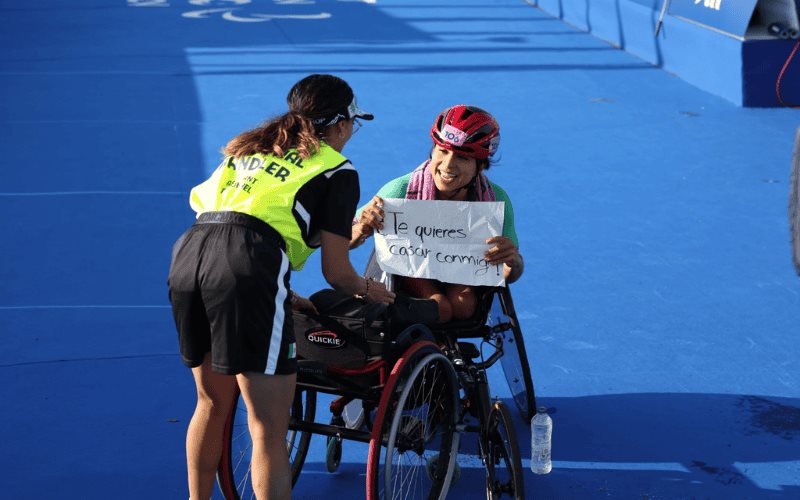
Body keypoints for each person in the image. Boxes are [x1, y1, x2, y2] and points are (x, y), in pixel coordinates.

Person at [167, 74, 395, 500]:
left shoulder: (248, 148)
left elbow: (230, 225)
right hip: (247, 265)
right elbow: (336, 274)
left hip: (189, 255)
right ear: (342, 123)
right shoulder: (335, 168)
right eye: (353, 125)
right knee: (268, 429)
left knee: (210, 403)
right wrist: (372, 290)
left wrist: (281, 293)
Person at [351, 104, 522, 323]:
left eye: (462, 157)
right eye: (442, 151)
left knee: (465, 306)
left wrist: (512, 262)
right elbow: (343, 240)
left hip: (461, 271)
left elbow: (511, 274)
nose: (447, 165)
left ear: (481, 166)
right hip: (407, 274)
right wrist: (361, 228)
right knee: (440, 308)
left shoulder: (496, 200)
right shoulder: (398, 191)